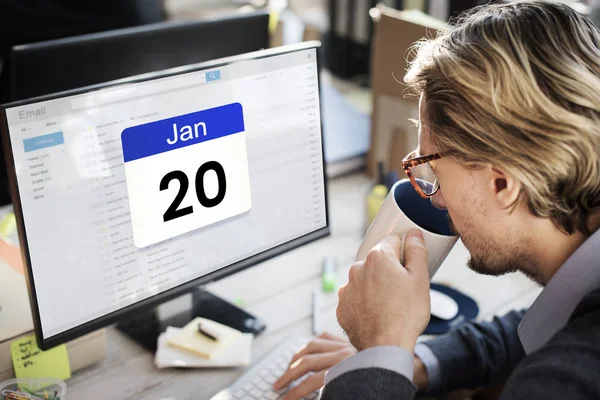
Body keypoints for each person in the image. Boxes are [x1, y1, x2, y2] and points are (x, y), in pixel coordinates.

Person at [273, 1, 600, 398]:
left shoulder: (566, 382)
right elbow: (539, 327)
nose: (437, 199)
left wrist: (380, 347)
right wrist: (407, 362)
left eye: (433, 170)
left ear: (503, 185)